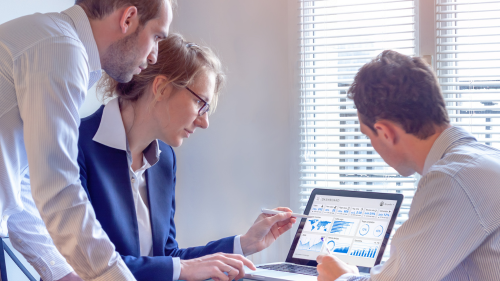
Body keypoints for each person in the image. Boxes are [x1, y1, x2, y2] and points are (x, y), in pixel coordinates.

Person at [69, 33, 296, 281]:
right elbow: (82, 264)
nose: (204, 122)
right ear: (162, 88)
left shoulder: (164, 159)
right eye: (201, 104)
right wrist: (181, 269)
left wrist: (244, 243)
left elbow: (167, 257)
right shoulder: (74, 145)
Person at [0, 0, 174, 280]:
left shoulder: (50, 39)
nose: (154, 56)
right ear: (128, 18)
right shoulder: (60, 49)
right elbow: (57, 189)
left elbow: (17, 184)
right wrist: (111, 275)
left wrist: (62, 273)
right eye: (156, 37)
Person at [315, 50, 500, 281]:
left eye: (367, 135)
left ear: (384, 132)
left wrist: (342, 278)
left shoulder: (453, 180)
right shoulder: (484, 161)